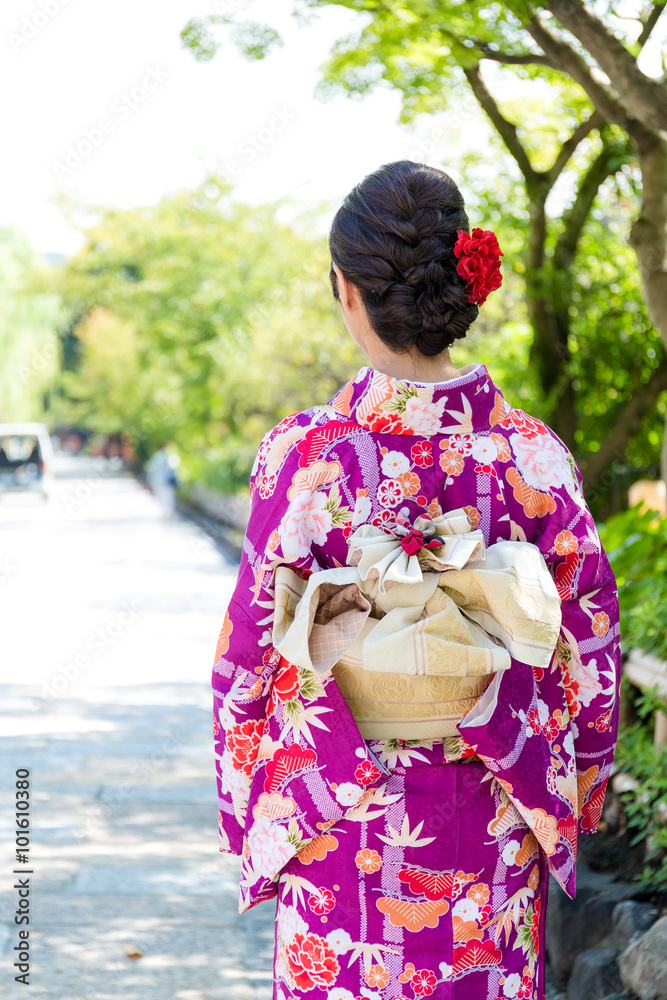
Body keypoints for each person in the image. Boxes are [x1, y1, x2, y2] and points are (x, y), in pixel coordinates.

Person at [211, 161, 621, 1000]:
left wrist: (253, 800)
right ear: (455, 288)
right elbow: (590, 643)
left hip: (337, 809)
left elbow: (247, 657)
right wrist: (576, 789)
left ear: (346, 290)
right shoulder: (533, 457)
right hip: (494, 813)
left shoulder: (305, 457)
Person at [146, 442, 179, 518]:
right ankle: (170, 511)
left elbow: (151, 470)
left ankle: (164, 511)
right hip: (167, 481)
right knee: (169, 497)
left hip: (157, 481)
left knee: (160, 496)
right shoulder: (168, 457)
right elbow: (172, 470)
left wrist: (148, 481)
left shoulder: (155, 458)